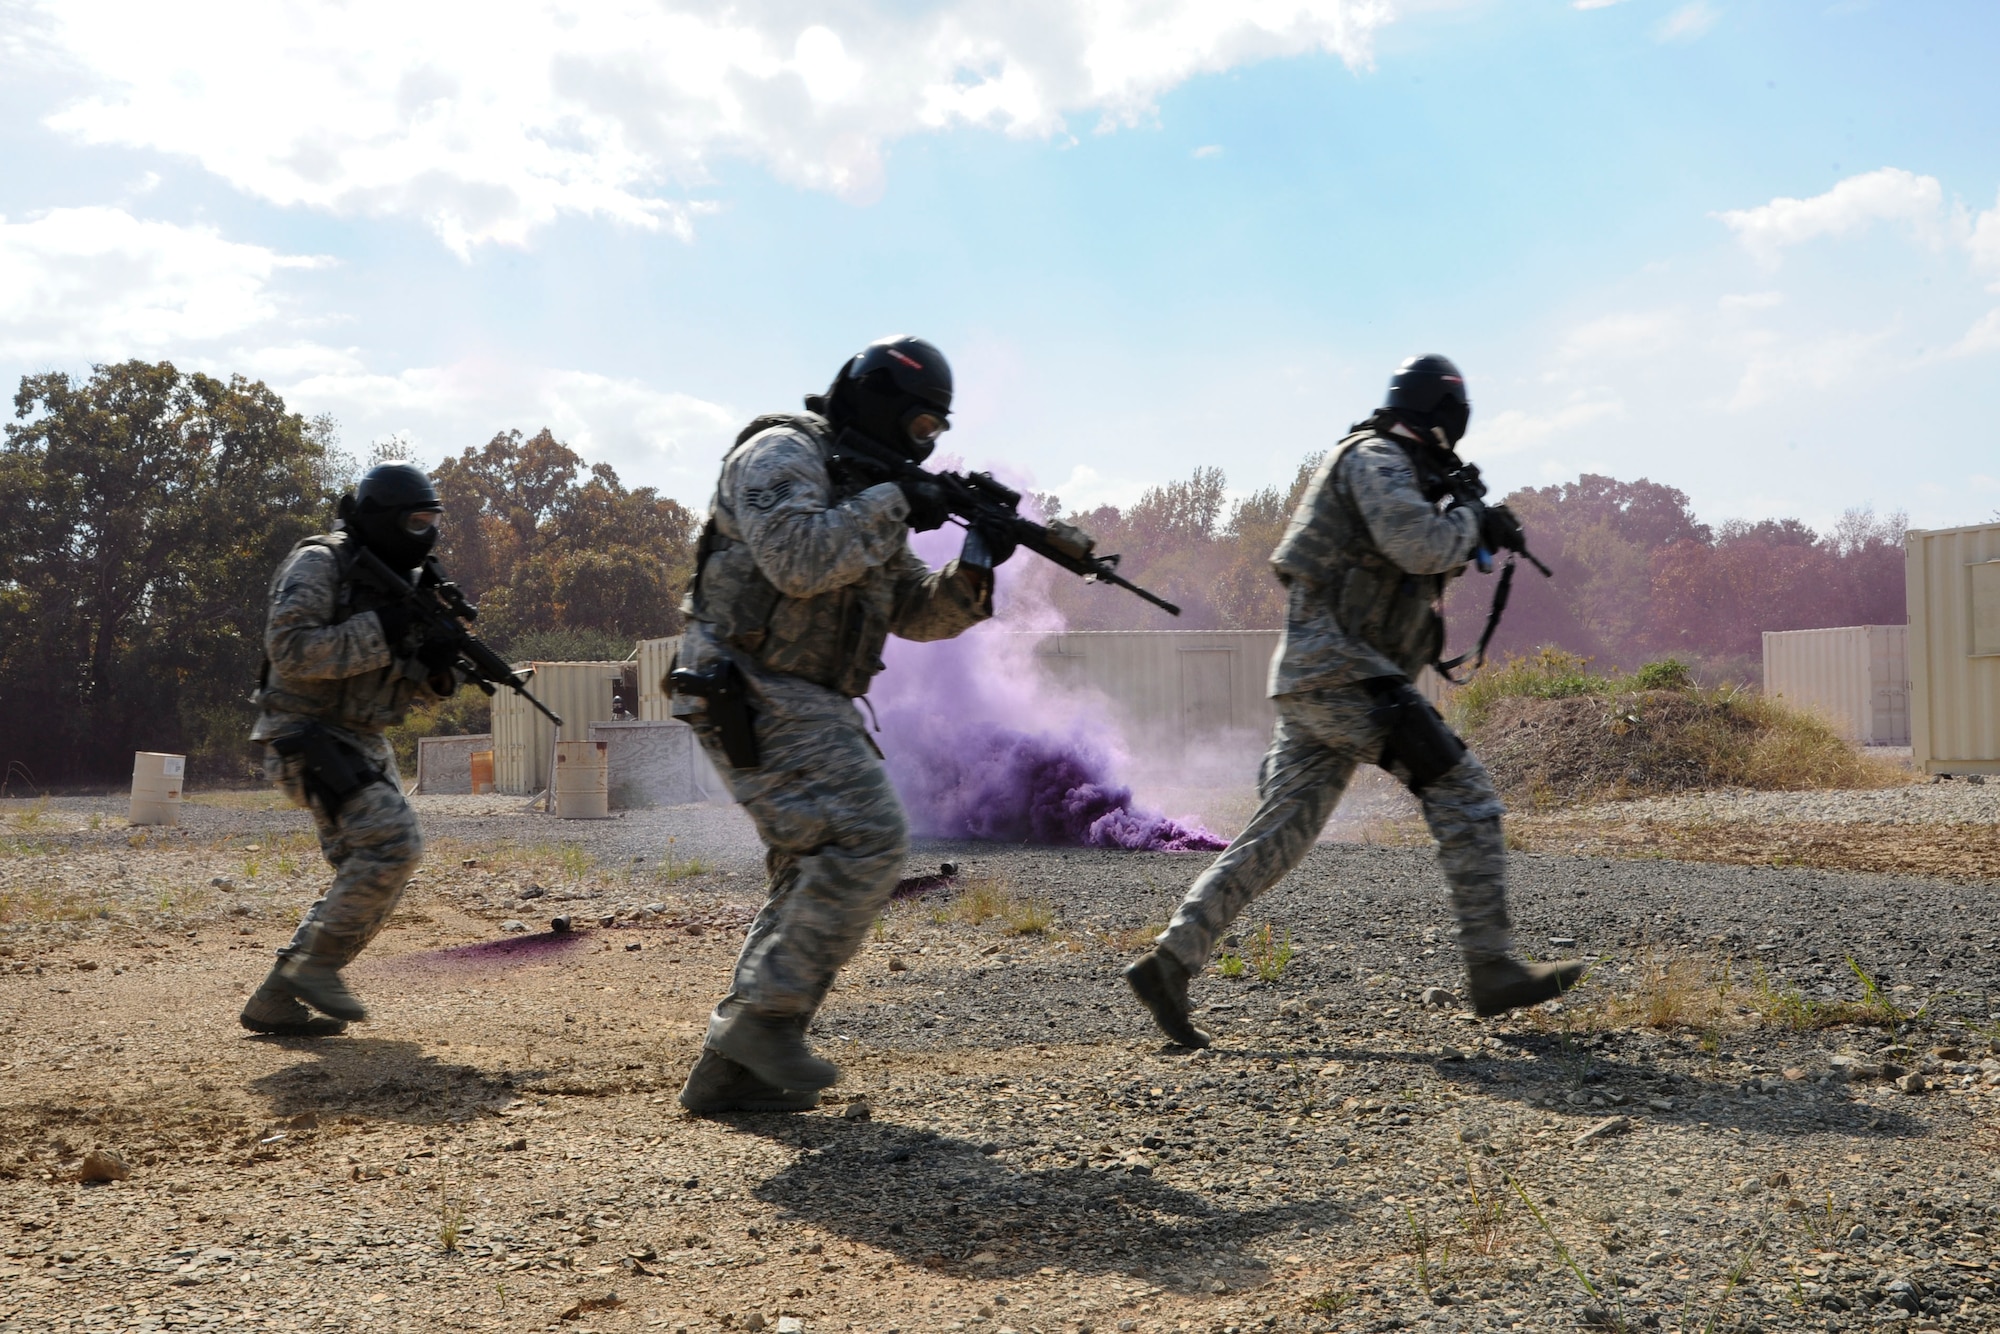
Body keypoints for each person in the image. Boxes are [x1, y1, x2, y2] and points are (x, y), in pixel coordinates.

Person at [1124, 355, 1584, 1048]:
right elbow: (1416, 542)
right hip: (1346, 676)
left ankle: (1170, 963)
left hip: (1327, 677)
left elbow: (1408, 556)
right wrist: (1470, 521)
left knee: (1278, 835)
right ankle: (1491, 968)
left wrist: (1470, 525)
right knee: (1464, 791)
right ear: (1443, 416)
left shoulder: (1391, 462)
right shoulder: (1377, 457)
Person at [671, 335, 1010, 1114]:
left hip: (805, 696)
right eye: (921, 427)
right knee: (868, 836)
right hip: (745, 681)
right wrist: (897, 501)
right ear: (886, 410)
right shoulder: (782, 454)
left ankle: (734, 1070)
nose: (927, 444)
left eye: (937, 433)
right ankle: (765, 1021)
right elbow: (798, 559)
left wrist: (977, 564)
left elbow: (916, 611)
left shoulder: (865, 488)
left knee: (813, 862)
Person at [240, 463, 462, 1036]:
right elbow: (290, 650)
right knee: (393, 846)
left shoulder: (406, 582)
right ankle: (314, 967)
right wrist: (385, 629)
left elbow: (405, 689)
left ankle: (277, 995)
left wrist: (435, 667)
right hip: (302, 732)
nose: (425, 532)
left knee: (370, 868)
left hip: (363, 739)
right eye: (414, 520)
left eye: (431, 520)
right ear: (385, 517)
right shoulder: (321, 563)